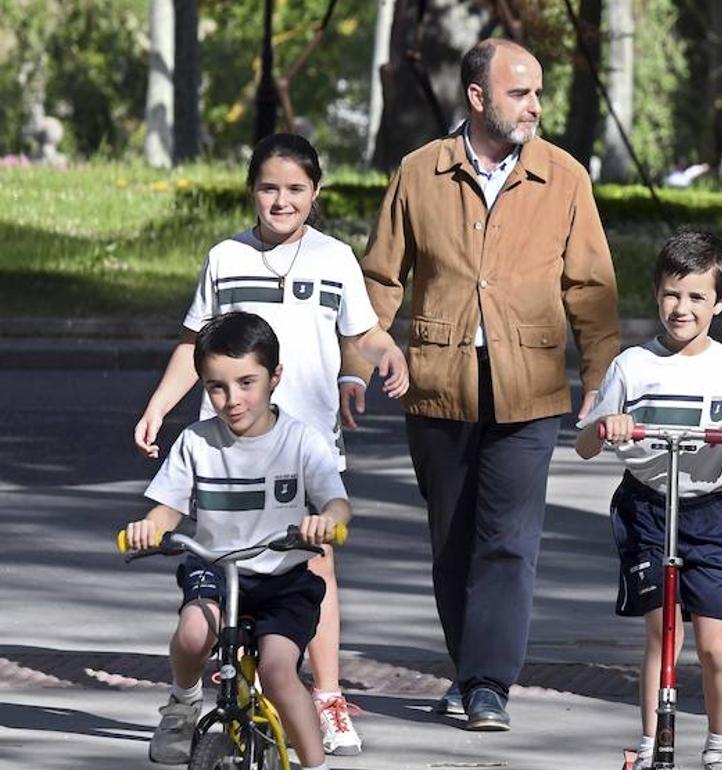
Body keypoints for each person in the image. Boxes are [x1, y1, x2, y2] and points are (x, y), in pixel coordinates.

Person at [338, 38, 620, 731]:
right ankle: (470, 672)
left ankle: (488, 682)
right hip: (437, 385)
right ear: (477, 97)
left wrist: (602, 376)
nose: (535, 105)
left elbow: (592, 287)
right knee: (452, 543)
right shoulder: (419, 172)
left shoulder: (564, 176)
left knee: (508, 542)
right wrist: (357, 359)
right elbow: (378, 280)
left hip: (530, 389)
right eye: (520, 92)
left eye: (537, 92)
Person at [132, 132, 409, 756]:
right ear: (251, 190)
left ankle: (328, 698)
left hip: (304, 437)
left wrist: (389, 357)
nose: (280, 201)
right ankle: (197, 699)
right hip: (234, 439)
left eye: (294, 190)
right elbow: (192, 343)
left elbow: (364, 331)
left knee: (316, 561)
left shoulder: (335, 259)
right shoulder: (225, 257)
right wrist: (159, 405)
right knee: (227, 556)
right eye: (268, 188)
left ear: (315, 193)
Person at [576, 231, 722, 770]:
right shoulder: (632, 366)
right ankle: (647, 744)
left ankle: (719, 740)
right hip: (646, 505)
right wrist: (607, 426)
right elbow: (586, 444)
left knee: (715, 646)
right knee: (662, 635)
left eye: (696, 297)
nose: (681, 308)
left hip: (707, 511)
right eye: (671, 294)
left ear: (720, 302)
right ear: (657, 292)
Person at [126, 312, 351, 770]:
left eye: (247, 382)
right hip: (216, 568)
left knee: (277, 671)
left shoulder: (300, 441)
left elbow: (336, 502)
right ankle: (184, 702)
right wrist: (150, 526)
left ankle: (315, 764)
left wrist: (325, 520)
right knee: (192, 632)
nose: (232, 400)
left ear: (275, 377)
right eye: (217, 387)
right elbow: (168, 507)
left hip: (283, 579)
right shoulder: (196, 442)